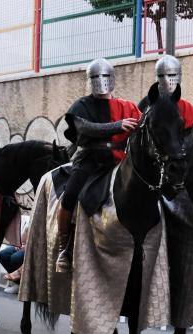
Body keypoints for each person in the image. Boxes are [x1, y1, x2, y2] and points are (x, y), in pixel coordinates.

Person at [55, 57, 141, 273]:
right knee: (70, 195)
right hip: (91, 161)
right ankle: (64, 247)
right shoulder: (81, 105)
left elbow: (142, 125)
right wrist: (118, 125)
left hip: (121, 161)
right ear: (89, 80)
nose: (100, 81)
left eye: (104, 76)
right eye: (95, 77)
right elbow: (86, 129)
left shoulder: (127, 106)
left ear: (112, 79)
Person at [138, 55, 193, 134]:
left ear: (179, 76)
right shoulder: (147, 102)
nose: (166, 80)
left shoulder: (184, 107)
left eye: (171, 75)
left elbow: (188, 140)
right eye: (161, 76)